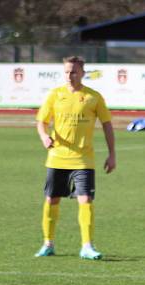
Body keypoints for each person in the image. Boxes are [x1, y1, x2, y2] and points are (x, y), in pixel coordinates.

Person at [34, 55, 116, 260]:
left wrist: (112, 154)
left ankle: (87, 246)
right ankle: (48, 243)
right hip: (57, 158)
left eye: (74, 72)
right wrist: (44, 136)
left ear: (82, 73)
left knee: (86, 199)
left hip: (83, 159)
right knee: (51, 199)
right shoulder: (55, 95)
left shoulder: (93, 97)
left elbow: (107, 125)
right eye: (67, 72)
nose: (70, 75)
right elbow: (41, 121)